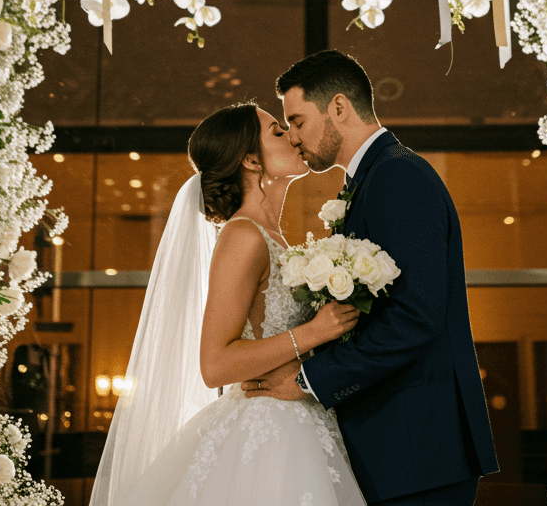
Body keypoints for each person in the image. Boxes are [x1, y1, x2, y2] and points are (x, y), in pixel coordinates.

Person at [242, 49, 499, 506]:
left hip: (418, 449)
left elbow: (414, 318)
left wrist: (308, 380)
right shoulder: (371, 179)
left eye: (298, 121)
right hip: (399, 448)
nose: (294, 138)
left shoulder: (397, 175)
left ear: (338, 107)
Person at [89, 100, 368, 506]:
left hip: (300, 416)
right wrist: (313, 332)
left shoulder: (273, 236)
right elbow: (215, 364)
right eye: (277, 131)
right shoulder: (244, 236)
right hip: (267, 433)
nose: (292, 136)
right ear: (251, 161)